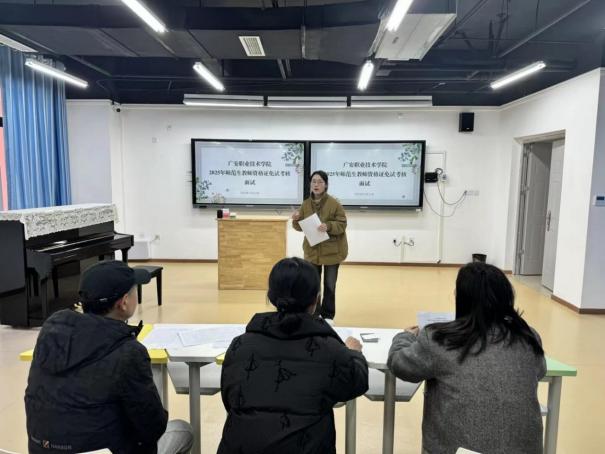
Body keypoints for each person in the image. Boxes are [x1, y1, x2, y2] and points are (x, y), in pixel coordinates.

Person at [25, 260, 193, 454]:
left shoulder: (51, 333)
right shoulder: (129, 352)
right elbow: (153, 427)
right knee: (182, 430)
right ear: (124, 302)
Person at [388, 262, 546, 454]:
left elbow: (399, 364)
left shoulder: (439, 339)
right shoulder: (528, 336)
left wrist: (404, 336)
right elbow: (539, 371)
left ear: (461, 298)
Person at [217, 257, 368, 454]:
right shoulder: (331, 349)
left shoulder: (240, 346)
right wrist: (353, 353)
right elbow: (357, 382)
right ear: (316, 299)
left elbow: (229, 398)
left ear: (271, 296)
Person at [292, 170, 348, 322]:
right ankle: (314, 314)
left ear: (326, 185)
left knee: (330, 286)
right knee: (313, 286)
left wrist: (328, 226)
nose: (316, 185)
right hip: (313, 251)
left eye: (320, 182)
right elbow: (300, 228)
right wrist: (296, 220)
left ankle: (328, 316)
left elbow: (342, 224)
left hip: (332, 252)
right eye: (313, 182)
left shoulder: (334, 204)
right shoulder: (305, 204)